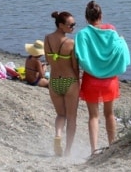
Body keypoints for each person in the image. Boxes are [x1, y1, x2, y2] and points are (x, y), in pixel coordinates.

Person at [74, 1, 130, 156]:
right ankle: (112, 146)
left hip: (91, 79)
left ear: (86, 18)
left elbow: (79, 57)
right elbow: (120, 50)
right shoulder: (111, 32)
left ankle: (94, 149)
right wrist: (122, 40)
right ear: (101, 16)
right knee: (109, 114)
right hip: (110, 80)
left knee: (93, 116)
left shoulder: (82, 35)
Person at [44, 11, 79, 157]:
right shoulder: (70, 43)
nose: (73, 27)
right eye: (70, 25)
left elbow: (48, 59)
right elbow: (74, 66)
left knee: (60, 114)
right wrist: (79, 80)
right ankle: (68, 151)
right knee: (72, 118)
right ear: (61, 25)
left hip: (54, 82)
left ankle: (58, 135)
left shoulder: (47, 39)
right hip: (69, 81)